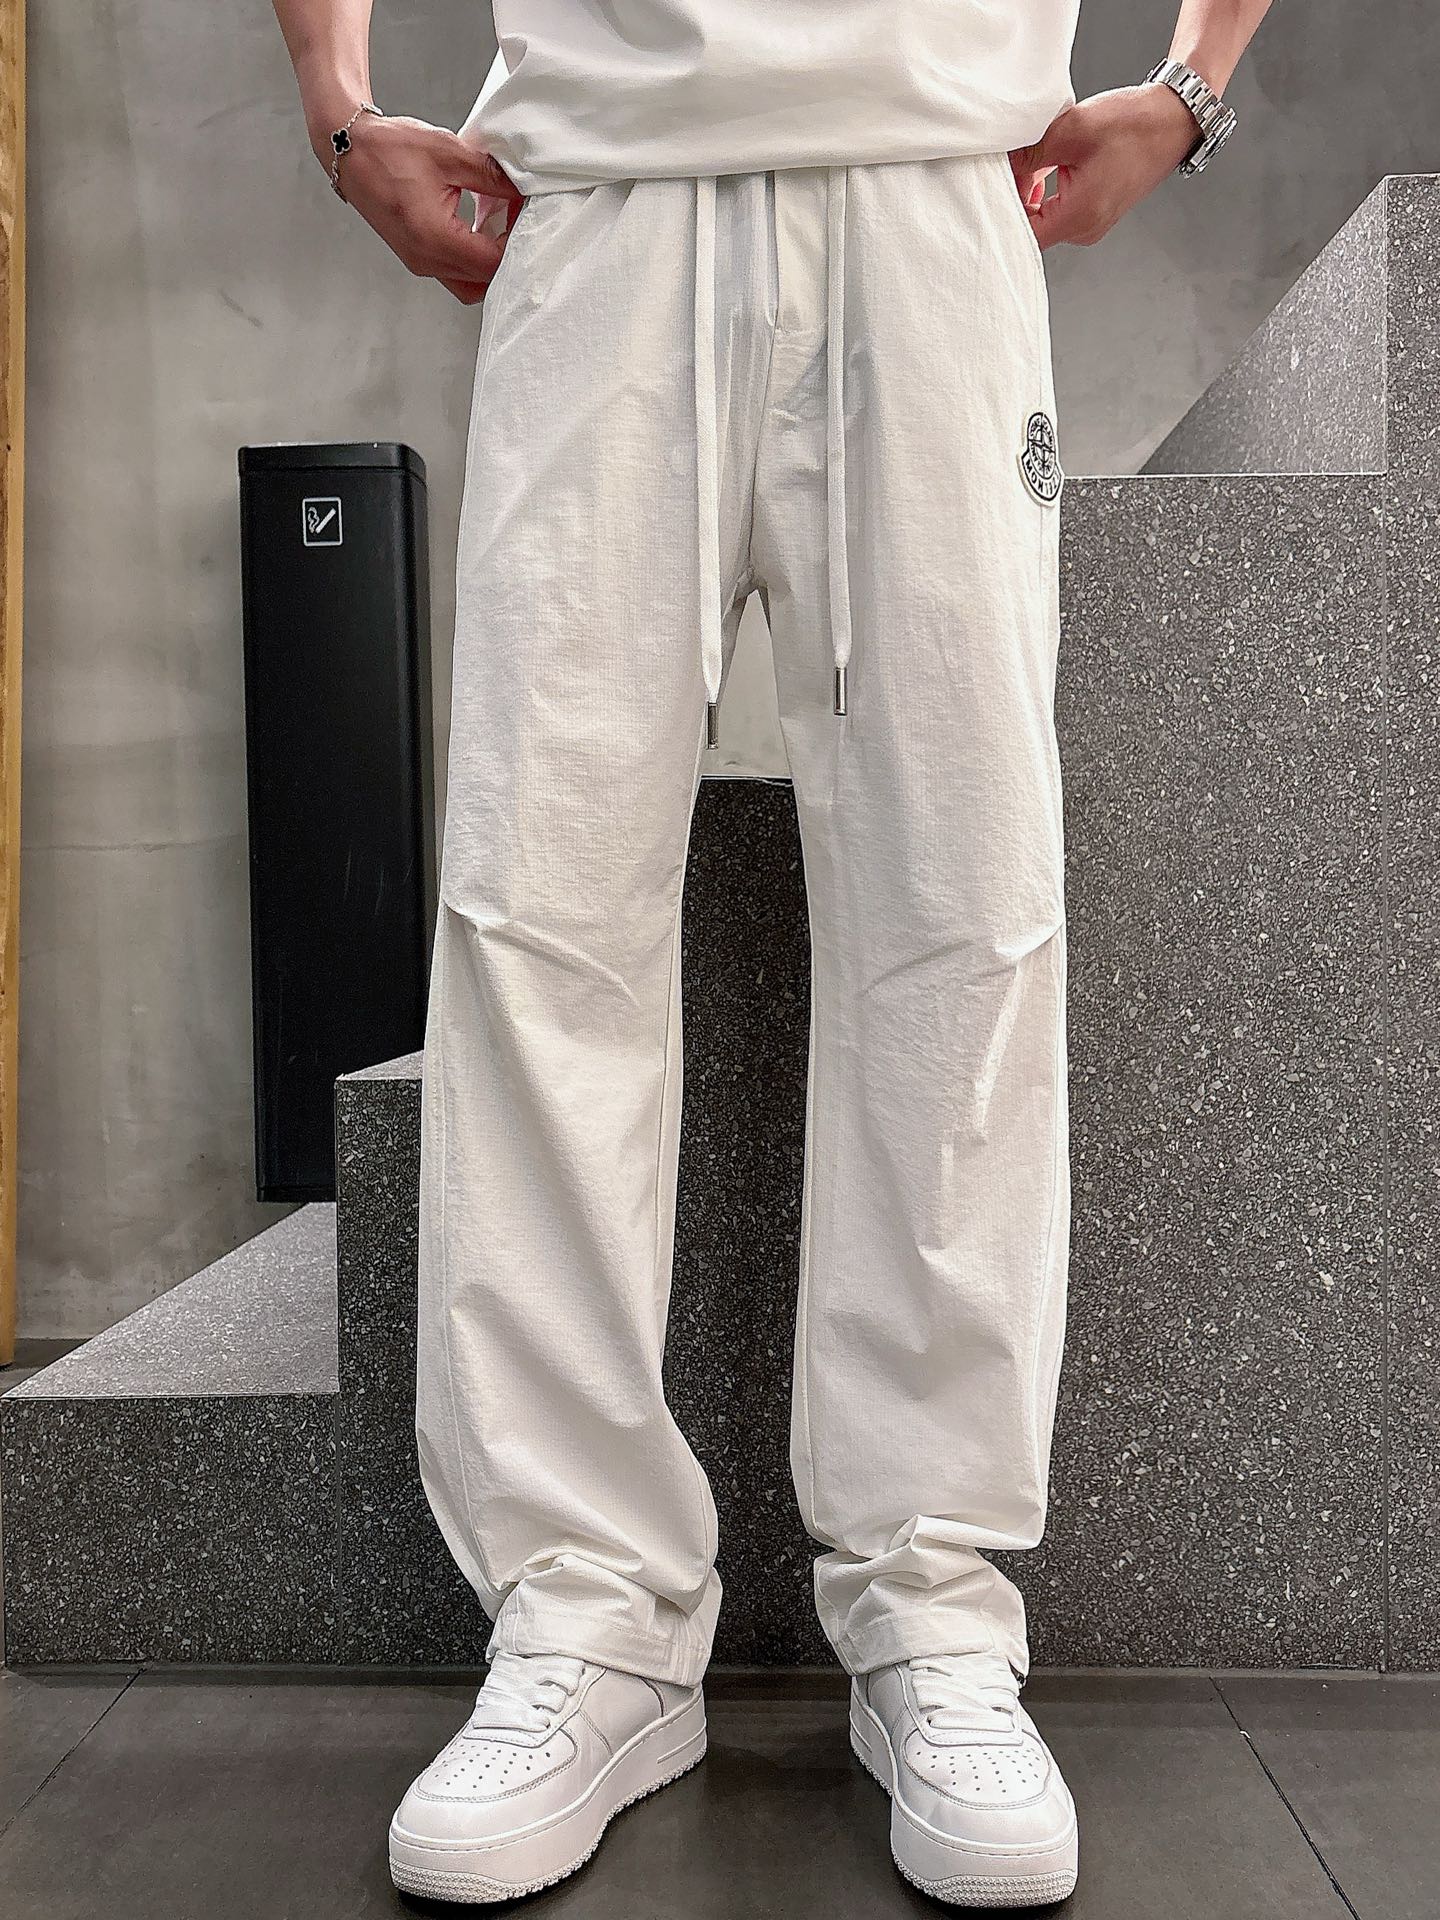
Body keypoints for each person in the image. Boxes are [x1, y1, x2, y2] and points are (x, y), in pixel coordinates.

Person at [273, 0, 1271, 1904]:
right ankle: (588, 1618)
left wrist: (1197, 86)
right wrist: (335, 101)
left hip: (934, 188)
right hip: (602, 191)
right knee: (538, 916)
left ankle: (933, 1608)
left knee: (961, 916)